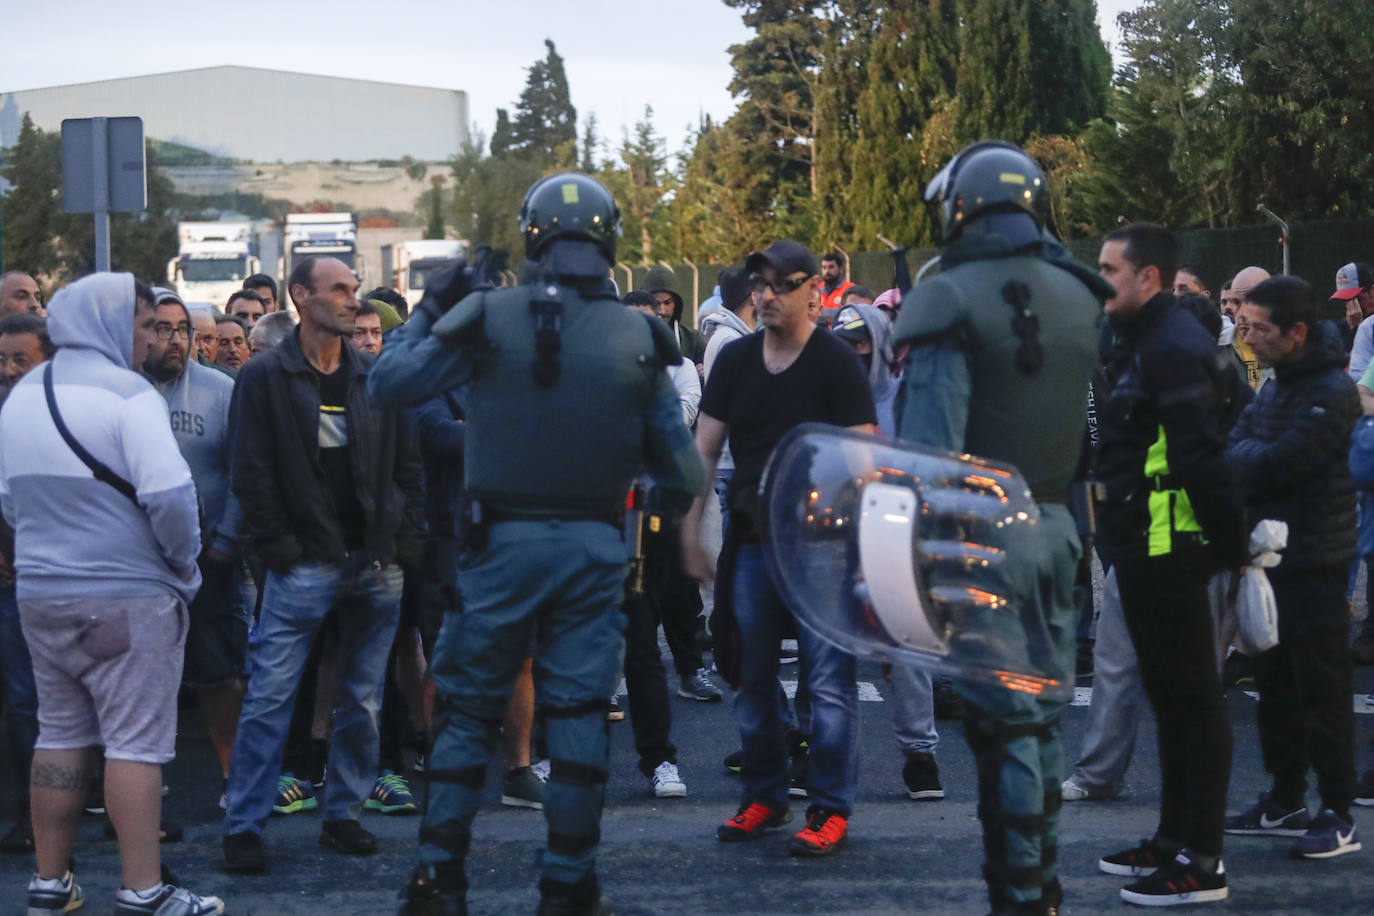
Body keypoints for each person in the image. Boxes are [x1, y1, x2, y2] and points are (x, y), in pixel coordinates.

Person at [370, 173, 704, 916]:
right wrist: (653, 513)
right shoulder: (639, 333)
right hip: (593, 548)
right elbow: (681, 470)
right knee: (580, 715)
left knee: (466, 711)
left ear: (534, 236)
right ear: (608, 238)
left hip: (496, 550)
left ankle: (437, 879)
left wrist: (428, 309)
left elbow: (389, 382)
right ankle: (568, 884)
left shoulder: (489, 315)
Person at [891, 141, 1102, 915]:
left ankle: (1018, 899)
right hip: (1056, 527)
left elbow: (927, 458)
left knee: (1005, 729)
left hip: (983, 534)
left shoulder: (947, 296)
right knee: (1041, 720)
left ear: (959, 208)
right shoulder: (1082, 293)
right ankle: (1040, 891)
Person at [0, 273, 223, 915]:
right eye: (142, 323)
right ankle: (143, 888)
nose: (149, 337)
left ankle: (50, 882)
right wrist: (183, 564)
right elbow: (171, 497)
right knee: (134, 743)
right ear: (106, 323)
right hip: (127, 594)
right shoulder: (127, 394)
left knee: (60, 733)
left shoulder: (22, 395)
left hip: (42, 594)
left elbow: (11, 505)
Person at [220, 255, 425, 874]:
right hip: (301, 564)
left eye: (353, 288)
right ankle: (246, 826)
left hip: (375, 562)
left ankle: (343, 816)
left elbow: (406, 467)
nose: (351, 299)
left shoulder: (374, 376)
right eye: (338, 289)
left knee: (362, 699)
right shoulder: (265, 378)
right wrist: (279, 549)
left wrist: (401, 542)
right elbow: (250, 473)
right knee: (269, 697)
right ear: (301, 296)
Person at [682, 238, 875, 859]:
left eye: (778, 285)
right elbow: (704, 450)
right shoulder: (736, 360)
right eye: (757, 284)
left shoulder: (836, 362)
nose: (764, 295)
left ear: (810, 289)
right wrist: (690, 531)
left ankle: (828, 809)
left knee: (828, 682)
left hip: (823, 549)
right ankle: (765, 794)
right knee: (750, 675)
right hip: (754, 544)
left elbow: (864, 461)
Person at [1094, 224, 1248, 906]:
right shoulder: (1141, 338)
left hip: (1173, 550)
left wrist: (1232, 550)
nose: (1098, 282)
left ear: (1148, 276)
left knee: (1194, 704)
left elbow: (1201, 458)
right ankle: (1171, 839)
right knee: (1170, 701)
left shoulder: (1174, 345)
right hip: (1142, 546)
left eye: (1108, 269)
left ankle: (1202, 861)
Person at [1224, 275, 1363, 859]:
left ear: (1296, 332)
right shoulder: (1278, 386)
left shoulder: (1332, 391)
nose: (1246, 337)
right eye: (1243, 324)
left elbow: (1281, 461)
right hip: (1270, 562)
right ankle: (1285, 797)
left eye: (1258, 327)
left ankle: (1337, 810)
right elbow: (1236, 447)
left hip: (1318, 562)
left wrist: (1250, 459)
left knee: (1323, 689)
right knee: (1275, 687)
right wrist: (1252, 459)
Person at [141, 287, 246, 811]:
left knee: (218, 674)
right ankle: (142, 783)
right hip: (138, 564)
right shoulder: (122, 395)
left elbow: (244, 473)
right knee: (141, 678)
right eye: (161, 329)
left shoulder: (220, 391)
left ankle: (235, 779)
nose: (174, 339)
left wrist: (227, 540)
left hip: (210, 559)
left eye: (180, 329)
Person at [0, 313, 53, 855]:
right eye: (2, 358)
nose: (9, 370)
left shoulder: (55, 414)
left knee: (31, 703)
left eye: (21, 359)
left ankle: (36, 817)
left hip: (37, 577)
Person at [643, 265, 706, 370]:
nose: (662, 311)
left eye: (667, 302)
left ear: (676, 304)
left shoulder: (692, 340)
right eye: (656, 303)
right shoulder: (632, 338)